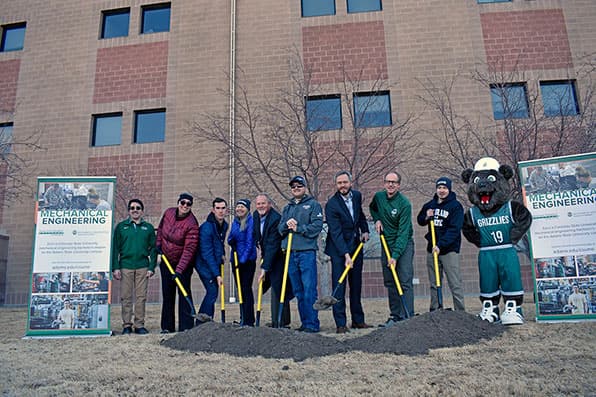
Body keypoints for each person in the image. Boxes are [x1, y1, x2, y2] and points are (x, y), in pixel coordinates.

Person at [324, 171, 371, 333]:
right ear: (336, 185)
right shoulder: (332, 205)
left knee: (356, 285)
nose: (342, 185)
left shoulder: (357, 196)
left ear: (350, 183)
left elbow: (361, 216)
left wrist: (365, 230)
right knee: (340, 285)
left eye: (345, 182)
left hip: (355, 246)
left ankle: (358, 321)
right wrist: (346, 255)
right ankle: (341, 324)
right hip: (338, 250)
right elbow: (335, 233)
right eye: (339, 183)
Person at [278, 176, 324, 333]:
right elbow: (280, 229)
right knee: (298, 290)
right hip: (291, 253)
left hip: (306, 253)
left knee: (309, 289)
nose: (296, 188)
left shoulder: (313, 205)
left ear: (305, 187)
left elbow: (316, 227)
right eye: (293, 187)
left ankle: (312, 324)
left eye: (299, 186)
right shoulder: (287, 208)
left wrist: (299, 228)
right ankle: (304, 323)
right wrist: (286, 225)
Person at [370, 171, 415, 326]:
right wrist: (377, 220)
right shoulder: (379, 197)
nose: (390, 184)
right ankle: (395, 316)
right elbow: (373, 208)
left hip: (403, 246)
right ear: (384, 183)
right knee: (390, 281)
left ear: (399, 185)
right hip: (386, 244)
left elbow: (403, 234)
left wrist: (395, 256)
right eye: (388, 181)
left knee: (404, 280)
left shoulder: (404, 204)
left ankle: (407, 317)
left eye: (394, 182)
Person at [417, 177, 465, 311]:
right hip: (432, 249)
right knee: (434, 282)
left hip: (449, 250)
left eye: (444, 188)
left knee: (454, 283)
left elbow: (454, 230)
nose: (441, 190)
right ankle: (436, 309)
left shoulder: (455, 206)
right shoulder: (430, 205)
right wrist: (426, 216)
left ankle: (460, 312)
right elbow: (420, 220)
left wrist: (440, 245)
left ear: (449, 189)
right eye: (439, 188)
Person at [111, 198, 157, 335]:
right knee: (126, 297)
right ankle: (126, 325)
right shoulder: (121, 227)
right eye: (132, 208)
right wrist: (116, 267)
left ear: (142, 211)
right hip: (126, 266)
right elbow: (115, 249)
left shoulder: (148, 228)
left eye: (138, 208)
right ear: (129, 211)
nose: (135, 210)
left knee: (141, 297)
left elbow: (154, 249)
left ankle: (139, 325)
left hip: (142, 266)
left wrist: (151, 267)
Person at [156, 193, 199, 333]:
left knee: (183, 292)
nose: (185, 206)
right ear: (178, 202)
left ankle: (186, 327)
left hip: (184, 264)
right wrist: (158, 246)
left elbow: (189, 249)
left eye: (188, 204)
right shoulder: (168, 213)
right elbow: (161, 229)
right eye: (182, 202)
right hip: (166, 261)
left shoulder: (192, 223)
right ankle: (167, 327)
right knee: (168, 294)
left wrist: (179, 271)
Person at [254, 193, 292, 328]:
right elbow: (256, 235)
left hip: (278, 257)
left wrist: (264, 268)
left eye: (263, 203)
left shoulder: (275, 219)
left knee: (278, 287)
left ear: (269, 204)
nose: (261, 206)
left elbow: (272, 245)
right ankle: (279, 320)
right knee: (269, 287)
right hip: (267, 256)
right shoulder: (256, 216)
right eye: (258, 204)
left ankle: (280, 322)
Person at [195, 198, 228, 321]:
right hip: (204, 264)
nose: (221, 211)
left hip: (214, 262)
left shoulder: (224, 225)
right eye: (218, 208)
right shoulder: (207, 228)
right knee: (212, 291)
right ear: (213, 210)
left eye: (223, 208)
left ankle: (208, 320)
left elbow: (219, 242)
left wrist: (222, 253)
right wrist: (217, 274)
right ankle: (201, 321)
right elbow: (207, 253)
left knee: (213, 292)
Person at [228, 199, 257, 326]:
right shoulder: (235, 222)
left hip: (247, 261)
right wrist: (231, 241)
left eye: (242, 207)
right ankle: (242, 317)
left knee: (246, 289)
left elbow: (250, 242)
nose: (239, 209)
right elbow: (230, 238)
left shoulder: (251, 222)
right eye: (238, 206)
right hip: (235, 259)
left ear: (248, 209)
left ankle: (249, 319)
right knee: (240, 290)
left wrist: (243, 260)